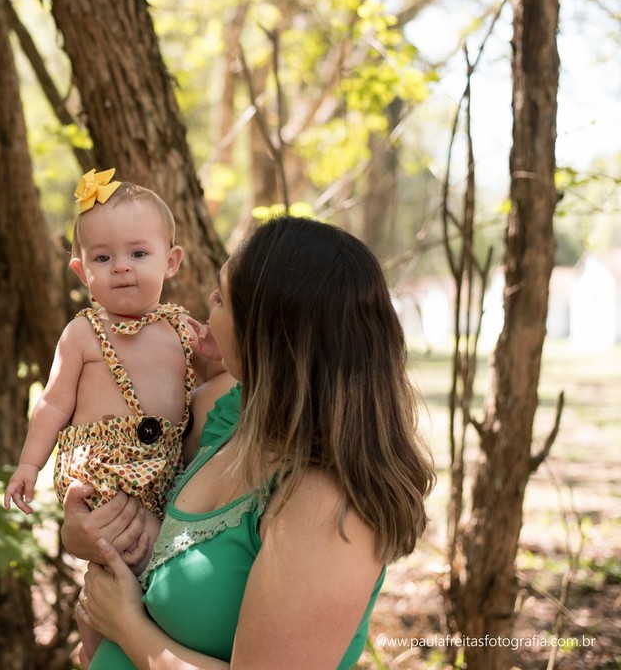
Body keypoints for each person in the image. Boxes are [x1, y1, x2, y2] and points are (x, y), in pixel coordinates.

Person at [67, 215, 435, 669]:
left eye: (221, 300)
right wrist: (87, 534)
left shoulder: (328, 507)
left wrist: (127, 626)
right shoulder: (231, 415)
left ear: (269, 336)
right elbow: (132, 489)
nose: (208, 310)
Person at [4, 168, 229, 520]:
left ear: (170, 262)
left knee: (153, 553)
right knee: (118, 542)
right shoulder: (83, 332)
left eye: (138, 254)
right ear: (82, 272)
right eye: (103, 258)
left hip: (167, 476)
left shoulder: (181, 330)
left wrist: (217, 355)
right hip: (98, 477)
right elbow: (52, 404)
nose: (121, 267)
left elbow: (217, 386)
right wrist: (30, 464)